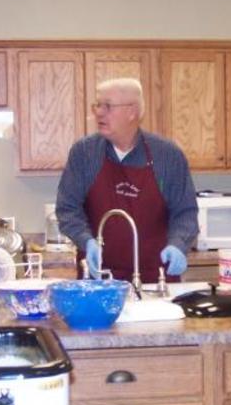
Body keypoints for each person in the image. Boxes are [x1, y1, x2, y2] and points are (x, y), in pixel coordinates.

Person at [55, 77, 198, 285]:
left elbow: (185, 213)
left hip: (156, 280)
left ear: (132, 111)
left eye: (107, 106)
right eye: (97, 105)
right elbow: (67, 209)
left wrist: (178, 244)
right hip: (99, 280)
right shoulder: (85, 153)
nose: (99, 113)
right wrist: (86, 241)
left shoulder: (167, 155)